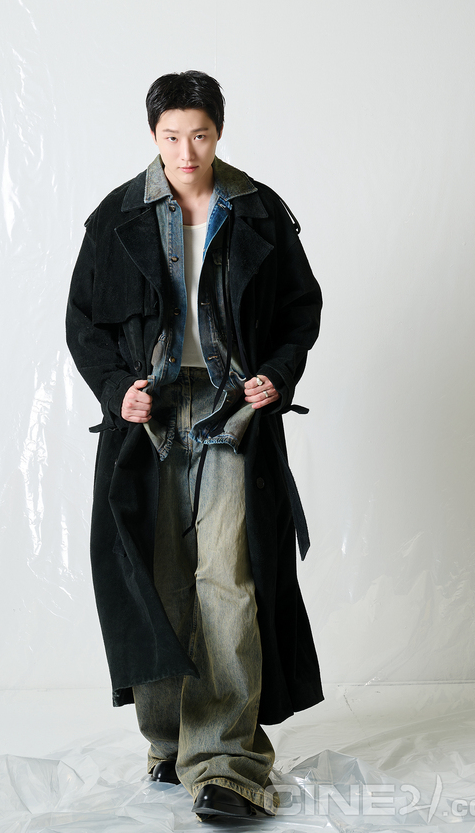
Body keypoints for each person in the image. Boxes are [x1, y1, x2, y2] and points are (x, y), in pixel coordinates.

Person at [66, 70, 323, 820]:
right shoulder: (115, 216)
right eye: (172, 136)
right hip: (148, 418)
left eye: (200, 135)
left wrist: (277, 372)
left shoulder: (258, 209)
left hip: (229, 409)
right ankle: (172, 739)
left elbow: (301, 308)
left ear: (219, 132)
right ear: (153, 134)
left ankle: (227, 763)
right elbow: (83, 322)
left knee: (228, 580)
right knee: (157, 579)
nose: (186, 152)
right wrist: (116, 388)